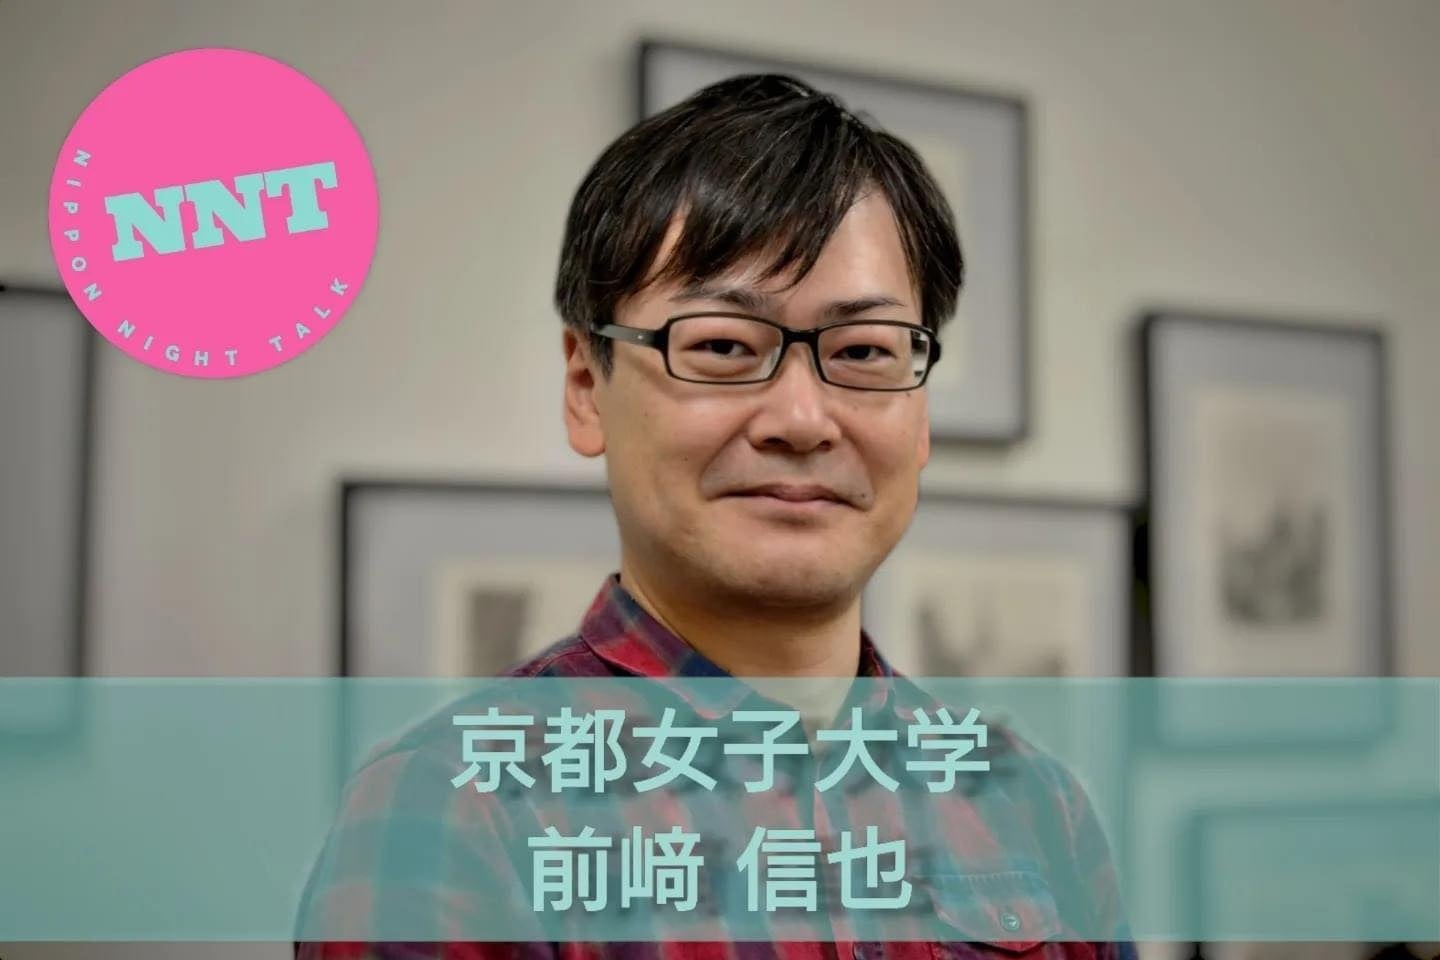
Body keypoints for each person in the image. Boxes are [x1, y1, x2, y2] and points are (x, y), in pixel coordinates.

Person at [295, 72, 1136, 960]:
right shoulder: (456, 815)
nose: (802, 420)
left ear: (920, 413)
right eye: (724, 346)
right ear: (585, 388)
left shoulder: (1031, 806)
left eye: (863, 352)